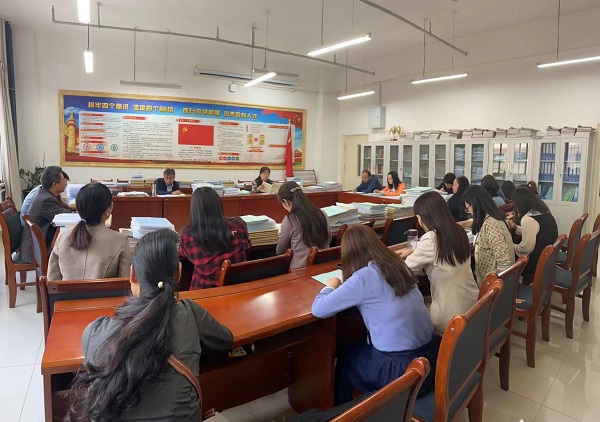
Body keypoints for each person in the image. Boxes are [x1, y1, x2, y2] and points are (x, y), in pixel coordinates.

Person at [66, 229, 233, 421]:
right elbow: (226, 340)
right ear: (178, 273)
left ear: (132, 275)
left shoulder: (95, 332)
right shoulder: (189, 313)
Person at [312, 225, 439, 405]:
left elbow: (319, 309)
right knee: (360, 343)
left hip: (401, 371)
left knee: (346, 358)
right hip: (430, 360)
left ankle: (344, 411)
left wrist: (330, 285)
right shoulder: (398, 264)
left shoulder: (363, 278)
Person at [399, 191, 479, 333]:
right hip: (472, 307)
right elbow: (439, 251)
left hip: (449, 317)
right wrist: (415, 251)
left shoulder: (431, 238)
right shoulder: (458, 231)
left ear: (422, 217)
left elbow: (405, 269)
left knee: (406, 310)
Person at [47, 183, 131, 280]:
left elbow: (52, 280)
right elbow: (125, 282)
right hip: (103, 291)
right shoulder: (120, 240)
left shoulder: (62, 237)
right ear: (109, 209)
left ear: (78, 209)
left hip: (66, 290)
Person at [179, 187, 251, 289]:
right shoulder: (239, 225)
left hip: (205, 294)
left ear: (194, 210)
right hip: (238, 290)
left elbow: (182, 253)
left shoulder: (188, 236)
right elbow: (248, 250)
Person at [19, 166, 73, 263]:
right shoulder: (46, 200)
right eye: (63, 180)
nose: (65, 183)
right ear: (55, 184)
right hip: (36, 250)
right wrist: (71, 210)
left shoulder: (49, 193)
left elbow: (65, 208)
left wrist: (71, 208)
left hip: (43, 240)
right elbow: (65, 216)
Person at [463, 185, 515, 286]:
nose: (469, 212)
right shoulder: (491, 218)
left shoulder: (492, 224)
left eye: (468, 208)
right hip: (493, 281)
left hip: (494, 285)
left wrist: (497, 290)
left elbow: (505, 263)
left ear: (475, 205)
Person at [276, 181, 331, 269]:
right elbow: (329, 239)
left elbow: (280, 251)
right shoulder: (322, 213)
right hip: (324, 267)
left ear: (285, 202)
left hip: (300, 270)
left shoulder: (290, 220)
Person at [507, 185, 558, 277]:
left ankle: (507, 282)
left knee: (504, 254)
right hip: (548, 259)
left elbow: (525, 249)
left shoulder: (528, 219)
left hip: (535, 263)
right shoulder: (543, 211)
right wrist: (516, 227)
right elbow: (536, 232)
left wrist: (509, 244)